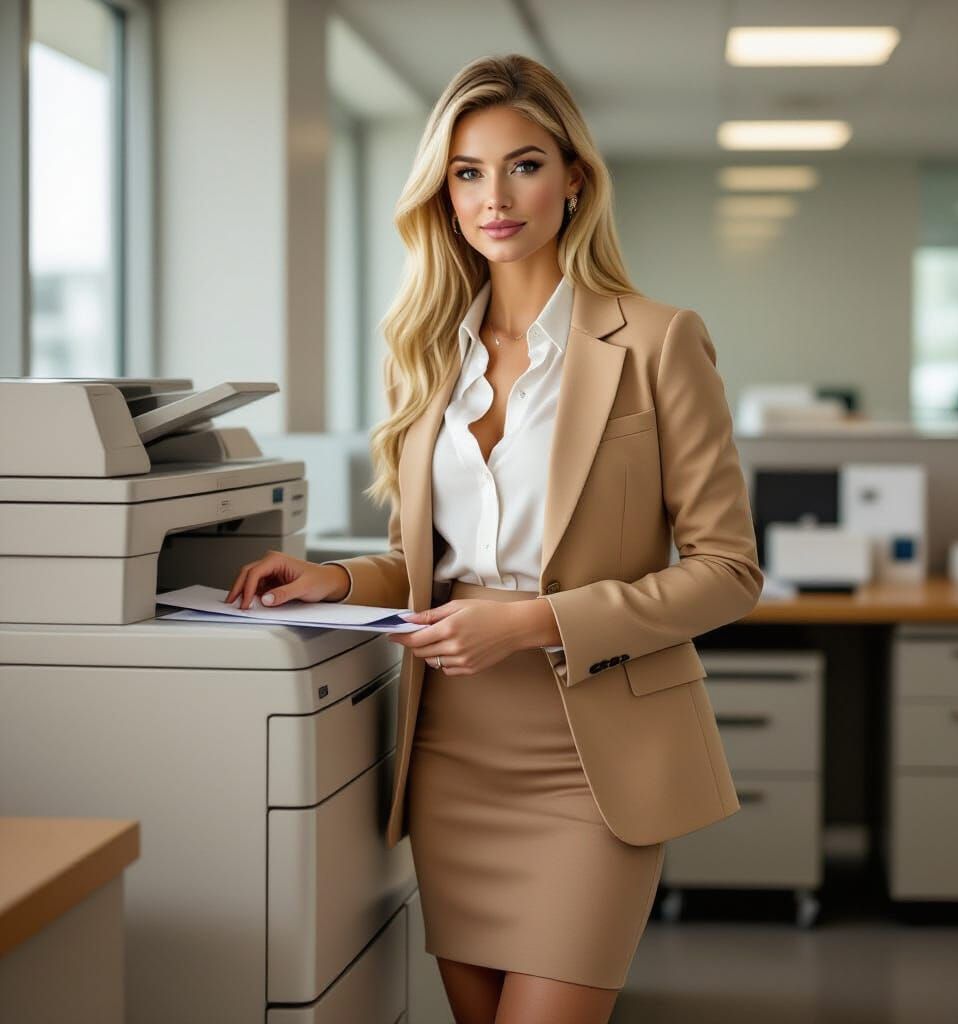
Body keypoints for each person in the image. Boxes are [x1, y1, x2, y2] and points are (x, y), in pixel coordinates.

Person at [227, 53, 763, 1024]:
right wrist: (333, 579)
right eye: (467, 172)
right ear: (442, 193)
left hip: (593, 758)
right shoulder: (427, 354)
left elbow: (727, 572)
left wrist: (531, 624)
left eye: (523, 166)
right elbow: (433, 567)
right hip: (451, 752)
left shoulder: (656, 340)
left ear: (574, 179)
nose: (494, 198)